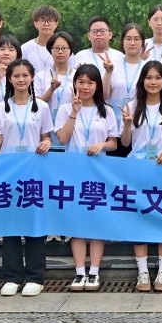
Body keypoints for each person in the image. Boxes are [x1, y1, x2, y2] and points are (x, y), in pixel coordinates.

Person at [0, 58, 53, 298]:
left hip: (34, 173)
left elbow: (46, 136)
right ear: (9, 78)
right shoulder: (0, 108)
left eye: (25, 75)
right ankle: (12, 277)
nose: (21, 79)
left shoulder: (42, 107)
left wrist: (46, 143)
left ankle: (35, 276)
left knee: (35, 225)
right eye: (16, 76)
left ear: (32, 78)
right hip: (8, 173)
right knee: (11, 226)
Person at [121, 60, 162, 291]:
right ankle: (142, 272)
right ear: (142, 81)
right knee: (139, 219)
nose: (153, 82)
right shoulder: (132, 106)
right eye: (149, 77)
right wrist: (127, 125)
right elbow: (125, 143)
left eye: (158, 78)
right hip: (138, 170)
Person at [54, 65, 120, 291]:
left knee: (97, 223)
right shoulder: (65, 109)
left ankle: (94, 272)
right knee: (77, 223)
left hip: (98, 173)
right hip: (73, 173)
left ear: (97, 86)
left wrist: (101, 144)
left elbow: (114, 143)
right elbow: (62, 139)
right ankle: (79, 272)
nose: (85, 87)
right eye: (81, 82)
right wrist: (74, 112)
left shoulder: (106, 110)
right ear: (74, 84)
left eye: (90, 83)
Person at [35, 31, 77, 125]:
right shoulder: (40, 76)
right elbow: (36, 106)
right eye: (56, 48)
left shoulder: (77, 76)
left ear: (70, 50)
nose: (60, 52)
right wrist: (51, 89)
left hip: (70, 125)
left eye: (64, 48)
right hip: (45, 126)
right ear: (50, 50)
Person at [21, 5, 59, 73]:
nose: (46, 24)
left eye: (50, 20)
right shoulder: (25, 49)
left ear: (56, 24)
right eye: (42, 20)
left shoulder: (64, 48)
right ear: (35, 23)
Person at [0, 36, 23, 104]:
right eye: (2, 49)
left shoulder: (23, 76)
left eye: (11, 50)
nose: (6, 53)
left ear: (17, 54)